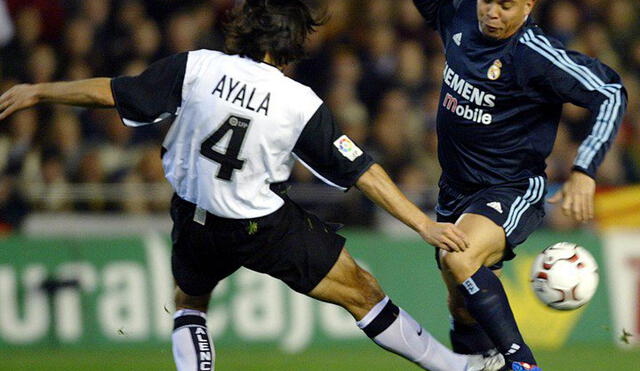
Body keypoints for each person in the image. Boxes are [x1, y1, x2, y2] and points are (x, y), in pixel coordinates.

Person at [0, 1, 506, 370]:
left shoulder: (197, 67)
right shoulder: (296, 101)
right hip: (260, 224)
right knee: (364, 292)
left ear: (244, 30)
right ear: (293, 43)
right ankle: (459, 369)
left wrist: (39, 90)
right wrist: (423, 224)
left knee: (190, 303)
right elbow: (361, 171)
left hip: (193, 217)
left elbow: (110, 92)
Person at [412, 0, 627, 370]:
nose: (492, 12)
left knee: (459, 257)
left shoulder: (535, 54)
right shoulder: (459, 12)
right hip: (454, 188)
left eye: (506, 6)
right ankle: (481, 363)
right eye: (487, 2)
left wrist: (584, 170)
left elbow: (610, 92)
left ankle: (523, 364)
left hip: (509, 188)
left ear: (528, 6)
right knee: (461, 305)